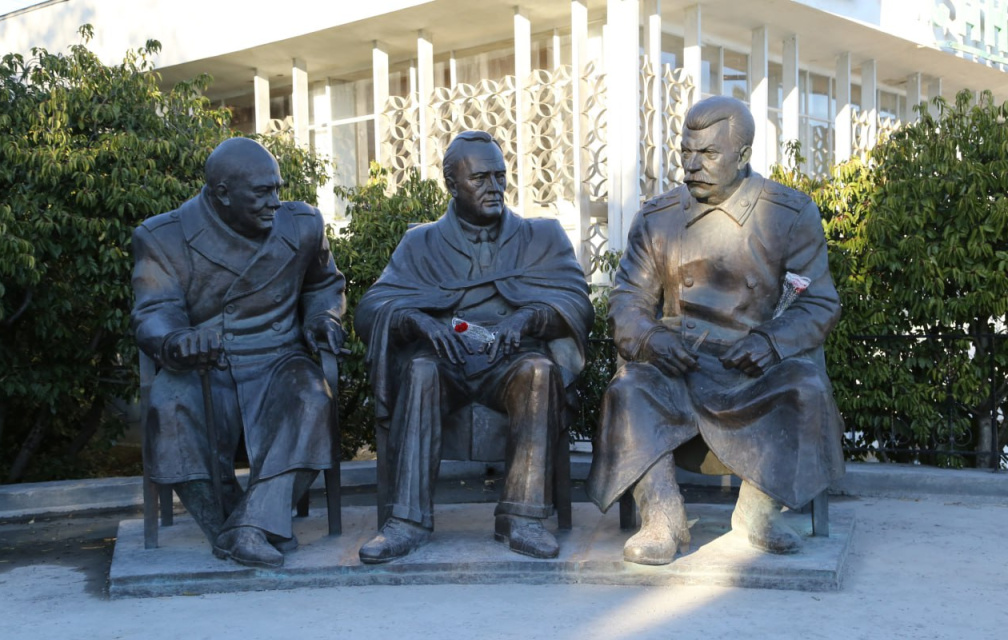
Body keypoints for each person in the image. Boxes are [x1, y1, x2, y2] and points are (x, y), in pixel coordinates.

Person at [587, 96, 845, 565]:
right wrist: (651, 339)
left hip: (751, 366)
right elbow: (627, 301)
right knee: (629, 389)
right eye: (686, 152)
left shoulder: (789, 214)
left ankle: (758, 513)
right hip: (677, 364)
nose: (692, 166)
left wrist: (771, 342)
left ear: (742, 155)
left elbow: (819, 302)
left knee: (805, 386)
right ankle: (662, 516)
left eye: (707, 154)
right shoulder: (657, 217)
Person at [355, 130, 593, 563]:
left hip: (510, 359)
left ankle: (521, 518)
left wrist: (527, 317)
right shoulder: (421, 243)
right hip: (445, 360)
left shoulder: (542, 236)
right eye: (480, 178)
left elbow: (577, 302)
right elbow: (372, 308)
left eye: (500, 176)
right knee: (420, 370)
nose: (494, 187)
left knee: (539, 372)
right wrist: (417, 321)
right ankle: (406, 521)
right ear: (452, 184)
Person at [131, 137, 346, 568]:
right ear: (222, 194)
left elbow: (323, 285)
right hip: (206, 361)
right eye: (262, 192)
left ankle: (247, 528)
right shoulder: (163, 236)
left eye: (277, 189)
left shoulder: (303, 225)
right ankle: (233, 523)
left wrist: (323, 318)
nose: (275, 202)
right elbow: (154, 310)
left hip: (279, 356)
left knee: (313, 400)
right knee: (170, 407)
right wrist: (176, 339)